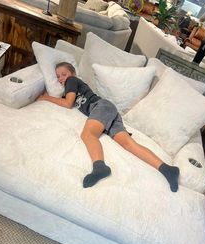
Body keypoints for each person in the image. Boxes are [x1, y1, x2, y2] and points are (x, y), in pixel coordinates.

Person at [37, 62, 179, 192]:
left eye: (64, 74)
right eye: (58, 77)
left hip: (101, 107)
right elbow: (67, 100)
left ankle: (100, 167)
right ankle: (167, 169)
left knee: (88, 134)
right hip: (109, 111)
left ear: (72, 74)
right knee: (128, 144)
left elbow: (68, 103)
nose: (61, 79)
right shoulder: (70, 86)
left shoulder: (71, 81)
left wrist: (45, 97)